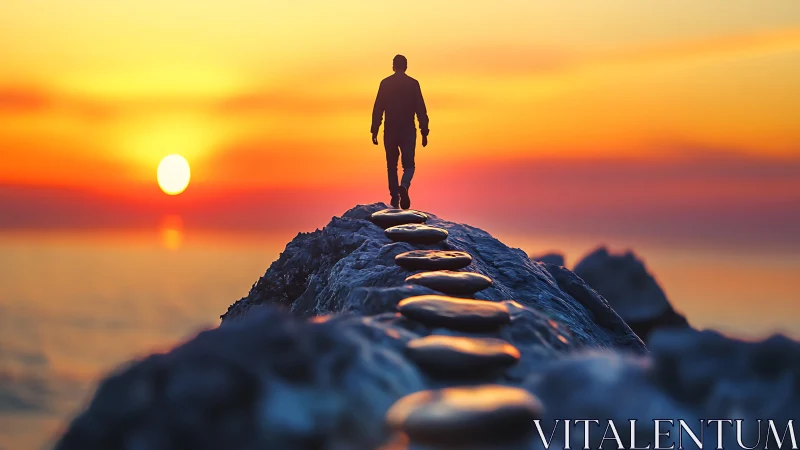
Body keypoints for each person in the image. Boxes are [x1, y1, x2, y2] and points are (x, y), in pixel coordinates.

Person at [371, 54, 429, 210]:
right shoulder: (413, 84)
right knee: (409, 165)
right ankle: (404, 185)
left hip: (390, 130)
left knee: (391, 165)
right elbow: (421, 109)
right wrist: (424, 131)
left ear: (393, 66)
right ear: (406, 66)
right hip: (408, 130)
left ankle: (395, 197)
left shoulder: (385, 83)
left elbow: (378, 108)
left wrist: (374, 129)